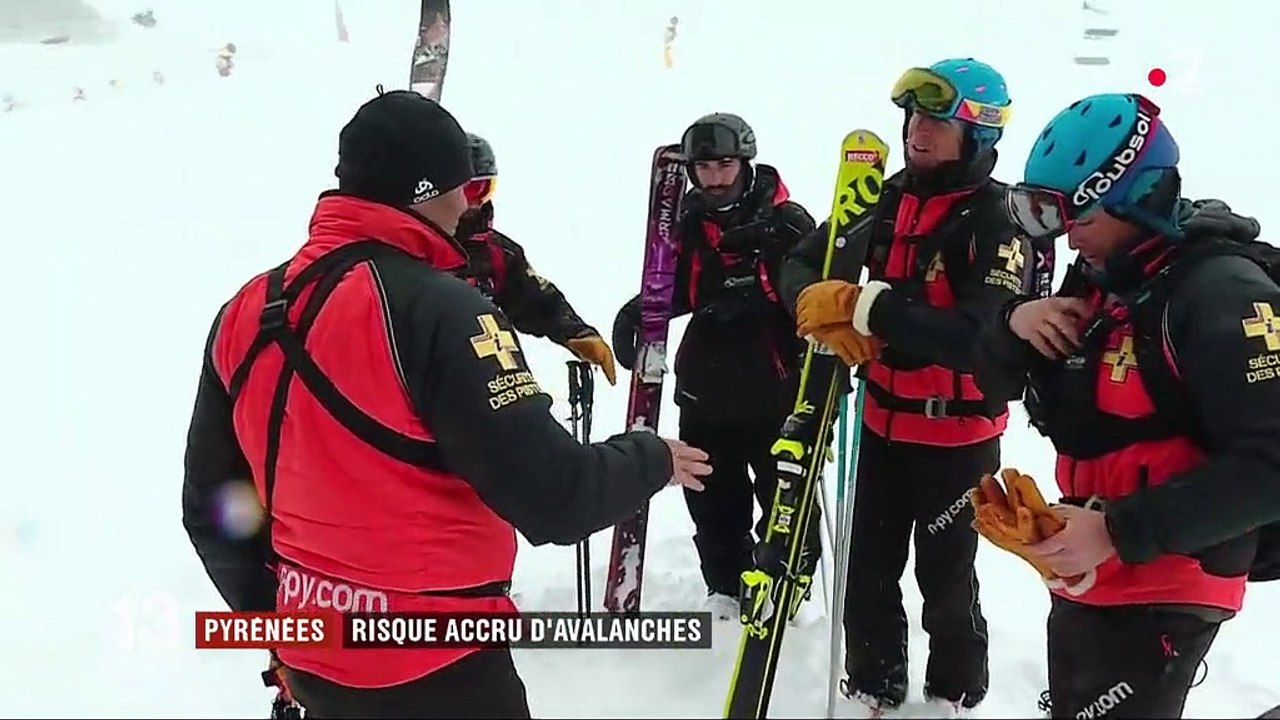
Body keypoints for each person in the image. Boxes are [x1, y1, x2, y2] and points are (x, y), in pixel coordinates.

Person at [181, 88, 711, 720]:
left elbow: (214, 509)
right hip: (438, 663)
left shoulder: (248, 309)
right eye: (466, 187)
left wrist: (280, 632)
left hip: (315, 659)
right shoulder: (441, 308)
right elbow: (554, 496)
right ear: (426, 190)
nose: (470, 204)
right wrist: (649, 457)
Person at [972, 92, 1280, 719]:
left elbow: (1272, 464)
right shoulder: (1107, 273)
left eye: (1075, 214)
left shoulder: (1223, 294)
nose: (1063, 233)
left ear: (1135, 196)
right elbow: (1006, 381)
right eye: (1045, 213)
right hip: (1098, 575)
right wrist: (1013, 323)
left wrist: (1116, 530)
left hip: (1169, 575)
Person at [781, 58, 1028, 715]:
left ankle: (953, 695)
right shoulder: (888, 197)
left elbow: (984, 339)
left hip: (957, 437)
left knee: (944, 577)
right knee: (867, 571)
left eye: (936, 120)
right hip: (881, 423)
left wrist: (867, 309)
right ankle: (873, 686)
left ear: (977, 134)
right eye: (913, 117)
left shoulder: (1000, 221)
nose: (917, 130)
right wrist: (814, 299)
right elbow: (807, 258)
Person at [611, 112, 817, 619]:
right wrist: (640, 311)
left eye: (725, 164)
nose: (715, 177)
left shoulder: (786, 221)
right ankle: (724, 587)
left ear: (744, 162)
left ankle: (787, 587)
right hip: (708, 388)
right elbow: (677, 285)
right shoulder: (685, 223)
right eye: (704, 168)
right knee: (712, 499)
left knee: (784, 499)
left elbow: (813, 296)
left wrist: (764, 290)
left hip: (776, 388)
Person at [456, 131, 617, 385]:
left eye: (482, 189)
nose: (473, 203)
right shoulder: (408, 248)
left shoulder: (498, 253)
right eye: (466, 191)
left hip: (477, 379)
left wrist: (575, 332)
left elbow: (534, 300)